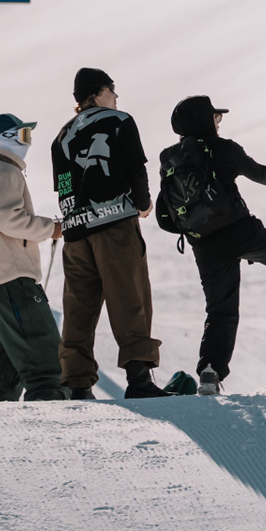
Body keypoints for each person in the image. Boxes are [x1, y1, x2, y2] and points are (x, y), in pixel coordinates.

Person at [161, 96, 266, 394]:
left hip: (204, 246)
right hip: (241, 231)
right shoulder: (224, 148)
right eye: (215, 117)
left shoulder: (170, 160)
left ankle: (210, 371)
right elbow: (259, 173)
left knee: (220, 310)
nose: (218, 122)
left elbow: (165, 216)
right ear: (203, 120)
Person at [52, 68, 166, 399]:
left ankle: (77, 383)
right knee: (130, 298)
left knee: (78, 308)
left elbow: (64, 185)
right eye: (112, 90)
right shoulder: (119, 121)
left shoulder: (61, 136)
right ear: (98, 93)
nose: (116, 96)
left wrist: (73, 217)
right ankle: (139, 379)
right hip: (114, 224)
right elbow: (136, 167)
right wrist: (143, 203)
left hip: (76, 233)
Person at [0, 114, 67, 401]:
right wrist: (52, 228)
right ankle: (53, 408)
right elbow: (8, 219)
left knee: (3, 363)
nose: (27, 144)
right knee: (44, 353)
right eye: (23, 136)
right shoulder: (6, 171)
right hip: (11, 278)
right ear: (3, 139)